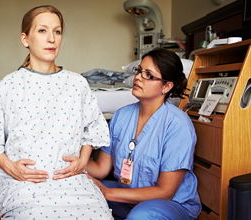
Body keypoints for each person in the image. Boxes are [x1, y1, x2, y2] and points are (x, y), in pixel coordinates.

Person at [0, 5, 113, 219]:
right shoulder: (10, 85)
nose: (51, 39)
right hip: (23, 183)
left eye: (57, 31)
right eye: (42, 30)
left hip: (71, 181)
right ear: (25, 39)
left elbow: (92, 129)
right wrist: (11, 168)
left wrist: (83, 160)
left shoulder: (77, 84)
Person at [85, 48, 202, 220]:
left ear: (166, 86)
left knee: (140, 215)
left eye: (148, 75)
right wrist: (72, 163)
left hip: (170, 204)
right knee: (83, 191)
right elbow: (101, 169)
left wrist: (108, 193)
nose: (138, 77)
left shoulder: (178, 125)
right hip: (128, 198)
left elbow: (165, 192)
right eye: (139, 71)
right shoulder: (120, 116)